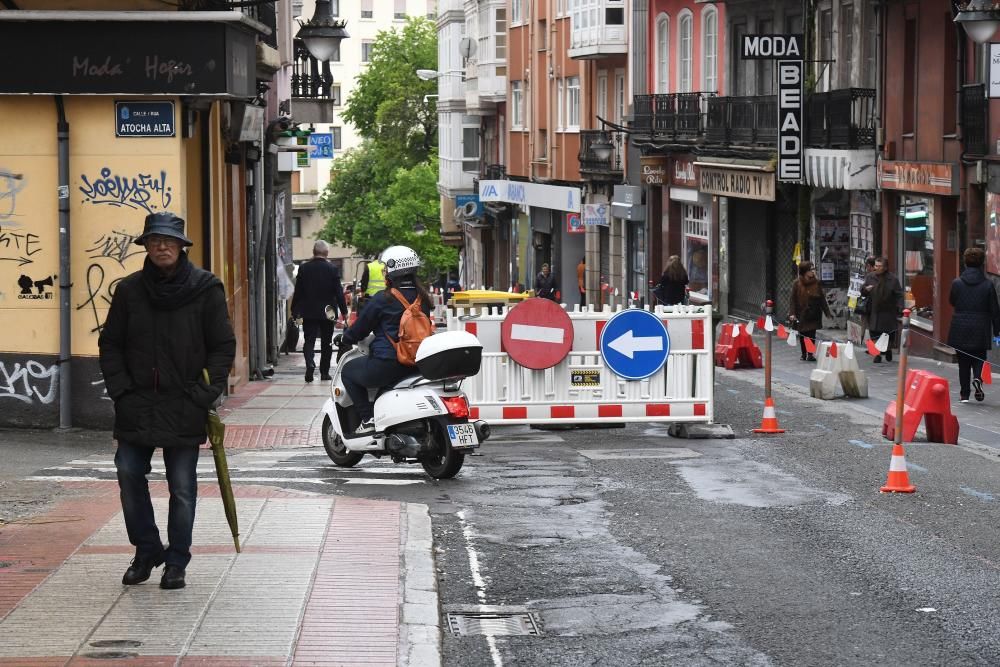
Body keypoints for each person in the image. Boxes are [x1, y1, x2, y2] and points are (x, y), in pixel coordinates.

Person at [99, 212, 236, 591]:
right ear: (145, 246)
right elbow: (110, 344)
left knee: (183, 486)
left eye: (169, 241)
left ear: (181, 246)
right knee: (128, 473)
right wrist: (121, 390)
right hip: (137, 402)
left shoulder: (206, 288)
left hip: (185, 403)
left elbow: (223, 346)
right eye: (154, 240)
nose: (161, 247)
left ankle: (176, 561)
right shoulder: (129, 291)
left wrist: (204, 395)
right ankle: (146, 550)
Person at [335, 245, 433, 435]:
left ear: (391, 272)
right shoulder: (423, 298)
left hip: (389, 362)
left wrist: (345, 338)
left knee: (348, 371)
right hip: (418, 363)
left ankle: (367, 419)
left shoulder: (383, 299)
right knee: (384, 389)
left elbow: (361, 329)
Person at [947, 247, 1000, 403]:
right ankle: (977, 378)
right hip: (980, 327)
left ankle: (964, 394)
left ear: (965, 261)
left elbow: (952, 301)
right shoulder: (988, 285)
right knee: (979, 358)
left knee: (963, 361)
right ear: (982, 263)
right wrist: (997, 332)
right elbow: (995, 310)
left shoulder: (957, 283)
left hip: (960, 326)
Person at [291, 240, 348, 383]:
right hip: (328, 312)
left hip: (308, 311)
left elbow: (297, 292)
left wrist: (294, 309)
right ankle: (324, 373)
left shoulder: (304, 269)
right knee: (326, 342)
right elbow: (339, 293)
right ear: (327, 253)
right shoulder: (332, 269)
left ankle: (310, 363)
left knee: (309, 340)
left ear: (313, 252)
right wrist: (344, 311)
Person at [789, 261, 832, 362]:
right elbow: (793, 299)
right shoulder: (797, 283)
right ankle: (804, 353)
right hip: (801, 313)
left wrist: (827, 312)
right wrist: (792, 313)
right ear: (804, 271)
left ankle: (810, 354)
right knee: (803, 334)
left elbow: (822, 298)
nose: (813, 271)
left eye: (813, 269)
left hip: (814, 312)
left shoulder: (817, 282)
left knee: (812, 334)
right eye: (810, 270)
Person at [863, 257, 903, 363]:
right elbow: (862, 291)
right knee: (874, 332)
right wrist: (865, 289)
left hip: (888, 310)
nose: (877, 268)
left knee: (887, 333)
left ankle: (888, 350)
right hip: (874, 310)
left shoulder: (893, 279)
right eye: (876, 266)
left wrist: (900, 307)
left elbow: (899, 294)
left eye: (880, 266)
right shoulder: (870, 277)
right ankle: (877, 354)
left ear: (885, 267)